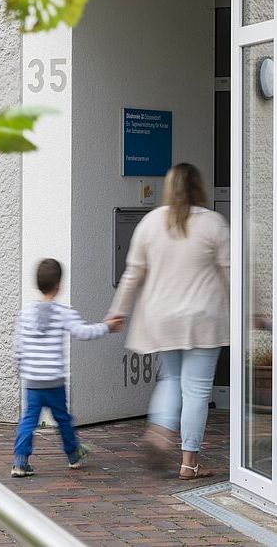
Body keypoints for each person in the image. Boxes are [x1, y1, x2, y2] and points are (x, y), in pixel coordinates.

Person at [106, 163, 230, 480]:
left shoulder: (150, 223)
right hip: (203, 321)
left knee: (170, 379)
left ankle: (160, 432)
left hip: (162, 318)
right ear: (198, 187)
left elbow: (133, 272)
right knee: (198, 391)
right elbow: (232, 272)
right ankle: (189, 463)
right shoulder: (213, 223)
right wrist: (252, 311)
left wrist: (117, 311)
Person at [12, 258, 123, 477]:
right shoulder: (63, 311)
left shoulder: (26, 314)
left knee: (28, 420)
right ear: (59, 285)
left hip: (33, 381)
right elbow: (83, 332)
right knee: (63, 419)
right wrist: (107, 327)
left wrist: (20, 370)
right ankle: (73, 454)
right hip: (54, 381)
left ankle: (20, 461)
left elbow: (18, 347)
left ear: (37, 283)